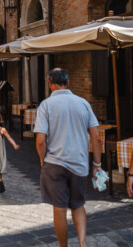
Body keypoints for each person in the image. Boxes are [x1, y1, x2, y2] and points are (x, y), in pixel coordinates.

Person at [34, 68, 101, 247]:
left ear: (50, 84)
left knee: (59, 207)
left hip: (54, 163)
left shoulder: (46, 105)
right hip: (79, 163)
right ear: (68, 82)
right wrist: (97, 164)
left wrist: (42, 159)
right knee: (78, 205)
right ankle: (82, 243)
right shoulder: (83, 103)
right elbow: (96, 136)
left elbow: (40, 140)